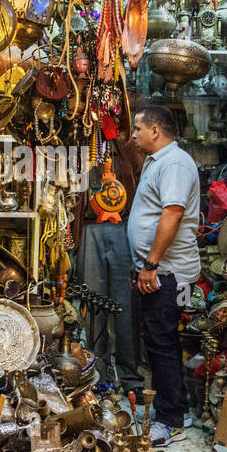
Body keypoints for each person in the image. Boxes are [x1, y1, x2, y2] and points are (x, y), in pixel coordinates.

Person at [127, 104, 201, 444]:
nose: (134, 135)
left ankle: (171, 421)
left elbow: (171, 214)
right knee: (161, 342)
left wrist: (152, 263)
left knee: (163, 343)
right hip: (158, 271)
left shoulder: (174, 163)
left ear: (155, 130)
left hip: (167, 273)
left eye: (138, 129)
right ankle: (175, 408)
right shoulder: (159, 161)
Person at [76, 138, 147, 398]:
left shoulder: (129, 143)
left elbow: (140, 179)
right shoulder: (80, 137)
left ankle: (130, 378)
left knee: (126, 305)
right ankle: (99, 376)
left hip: (124, 226)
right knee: (93, 306)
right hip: (88, 227)